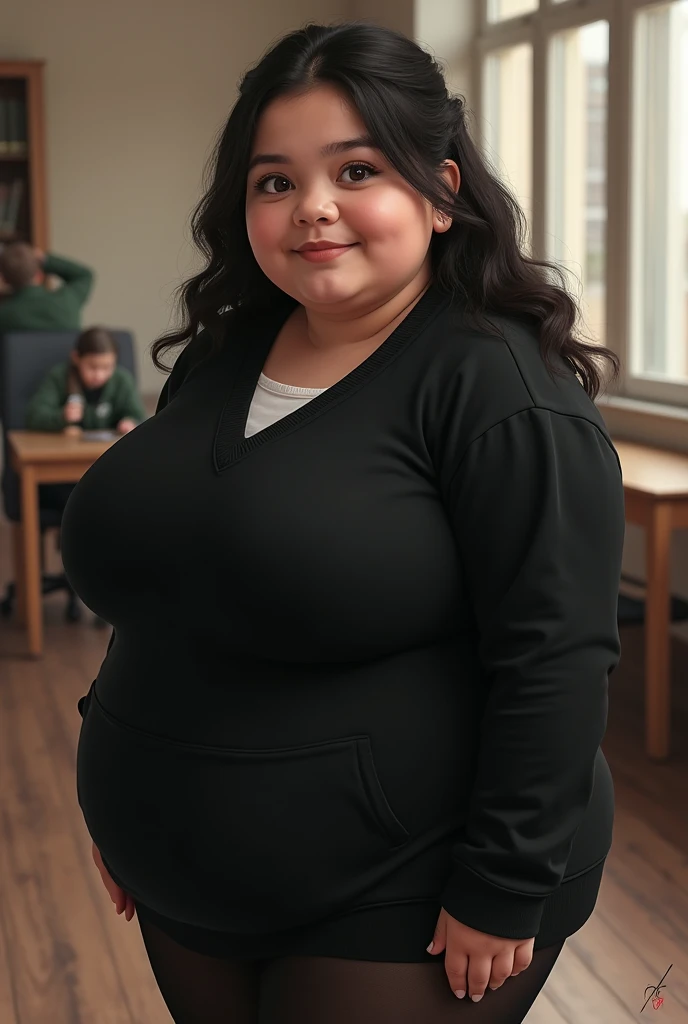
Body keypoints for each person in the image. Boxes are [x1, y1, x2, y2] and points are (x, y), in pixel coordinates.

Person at [61, 21, 625, 1024]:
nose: (311, 208)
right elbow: (171, 579)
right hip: (186, 876)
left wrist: (503, 884)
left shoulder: (495, 387)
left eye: (355, 168)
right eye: (273, 181)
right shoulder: (221, 358)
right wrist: (126, 767)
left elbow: (556, 656)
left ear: (440, 190)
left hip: (399, 886)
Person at [25, 326, 145, 437]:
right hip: (67, 452)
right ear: (76, 358)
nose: (99, 375)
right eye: (92, 367)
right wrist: (62, 416)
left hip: (109, 451)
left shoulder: (122, 380)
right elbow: (34, 417)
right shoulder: (60, 377)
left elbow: (138, 416)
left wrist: (129, 422)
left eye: (107, 367)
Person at [0, 242, 94, 331]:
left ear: (4, 280)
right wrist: (46, 260)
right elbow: (84, 275)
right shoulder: (68, 302)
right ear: (39, 275)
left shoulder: (4, 316)